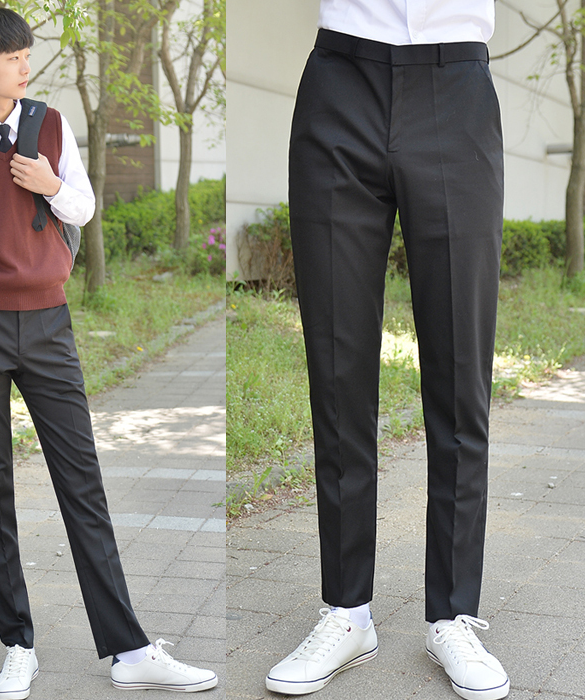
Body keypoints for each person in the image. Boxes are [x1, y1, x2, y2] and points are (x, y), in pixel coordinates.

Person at [0, 8, 217, 700]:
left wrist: (49, 184)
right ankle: (18, 646)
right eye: (11, 56)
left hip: (50, 324)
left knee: (82, 482)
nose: (25, 64)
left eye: (27, 53)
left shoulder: (50, 126)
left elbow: (83, 207)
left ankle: (130, 649)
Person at [265, 2, 509, 699]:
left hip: (456, 86)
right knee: (336, 368)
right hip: (339, 80)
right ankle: (347, 612)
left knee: (460, 372)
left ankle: (452, 614)